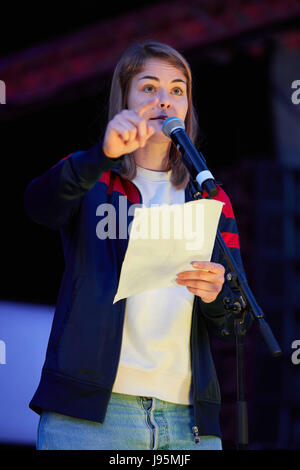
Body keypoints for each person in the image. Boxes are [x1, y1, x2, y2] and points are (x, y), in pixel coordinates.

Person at [24, 40, 248, 450]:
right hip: (91, 417)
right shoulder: (92, 177)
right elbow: (39, 205)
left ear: (188, 107)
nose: (165, 99)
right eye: (149, 87)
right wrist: (100, 156)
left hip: (187, 421)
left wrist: (217, 294)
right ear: (124, 99)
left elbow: (237, 318)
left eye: (177, 90)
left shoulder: (210, 196)